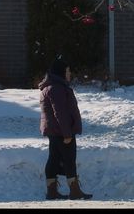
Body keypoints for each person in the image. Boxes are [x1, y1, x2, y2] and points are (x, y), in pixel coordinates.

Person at [39, 55, 92, 200]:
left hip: (54, 131)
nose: (69, 74)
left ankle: (52, 191)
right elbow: (60, 112)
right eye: (68, 71)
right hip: (62, 131)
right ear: (61, 72)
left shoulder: (50, 87)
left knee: (54, 159)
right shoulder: (57, 88)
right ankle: (74, 191)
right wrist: (67, 133)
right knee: (69, 159)